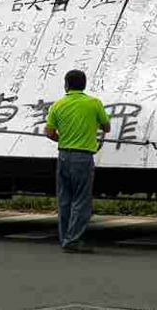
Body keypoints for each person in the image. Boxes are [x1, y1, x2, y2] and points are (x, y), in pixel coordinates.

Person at [45, 70, 111, 253]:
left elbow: (49, 132)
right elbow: (107, 127)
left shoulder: (58, 105)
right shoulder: (94, 103)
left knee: (64, 198)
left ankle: (65, 237)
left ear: (66, 85)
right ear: (84, 84)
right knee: (81, 200)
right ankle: (72, 239)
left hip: (64, 155)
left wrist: (63, 139)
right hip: (83, 157)